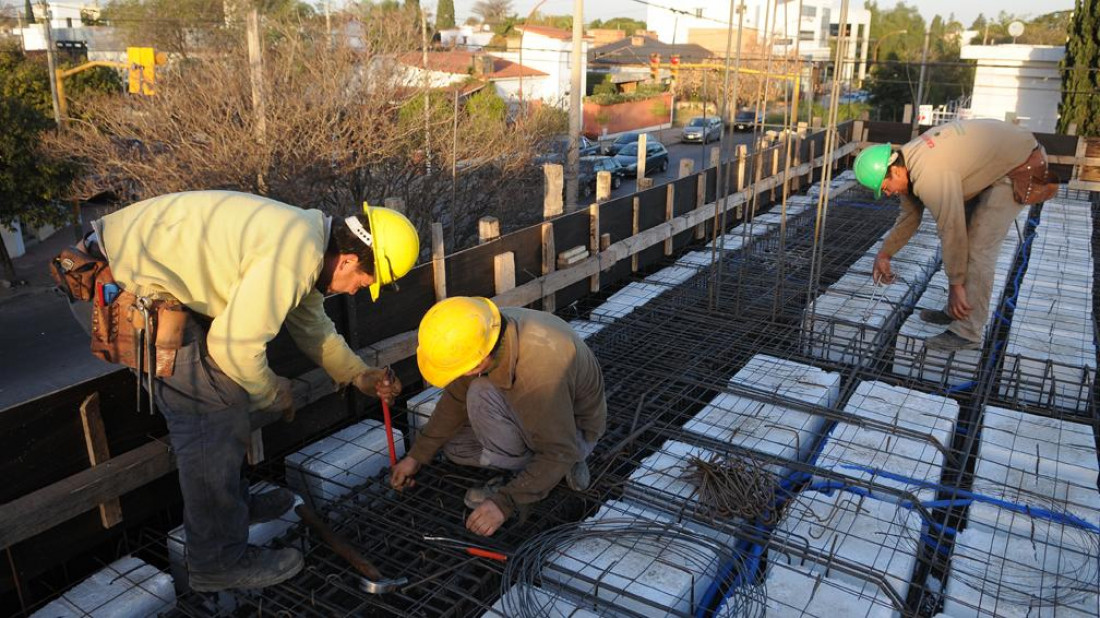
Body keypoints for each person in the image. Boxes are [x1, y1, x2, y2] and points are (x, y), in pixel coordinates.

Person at [75, 191, 419, 591]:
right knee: (211, 414)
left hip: (141, 276)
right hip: (118, 285)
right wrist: (274, 392)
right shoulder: (294, 255)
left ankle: (230, 508)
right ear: (347, 259)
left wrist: (358, 374)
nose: (357, 290)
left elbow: (311, 325)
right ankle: (216, 560)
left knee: (223, 396)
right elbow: (233, 347)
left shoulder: (308, 240)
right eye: (364, 280)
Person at [390, 297, 606, 537]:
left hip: (574, 432)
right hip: (543, 417)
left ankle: (542, 474)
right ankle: (545, 471)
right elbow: (454, 400)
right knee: (455, 447)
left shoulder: (540, 373)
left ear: (478, 363)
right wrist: (417, 456)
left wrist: (505, 502)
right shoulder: (484, 331)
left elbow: (559, 448)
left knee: (480, 393)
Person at [853, 119, 1055, 351]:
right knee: (965, 246)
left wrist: (956, 284)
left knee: (978, 248)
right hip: (996, 162)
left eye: (885, 187)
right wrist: (884, 254)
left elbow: (952, 229)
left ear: (894, 169)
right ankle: (957, 310)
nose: (887, 194)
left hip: (1019, 167)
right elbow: (909, 216)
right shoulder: (907, 160)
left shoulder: (929, 174)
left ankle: (969, 331)